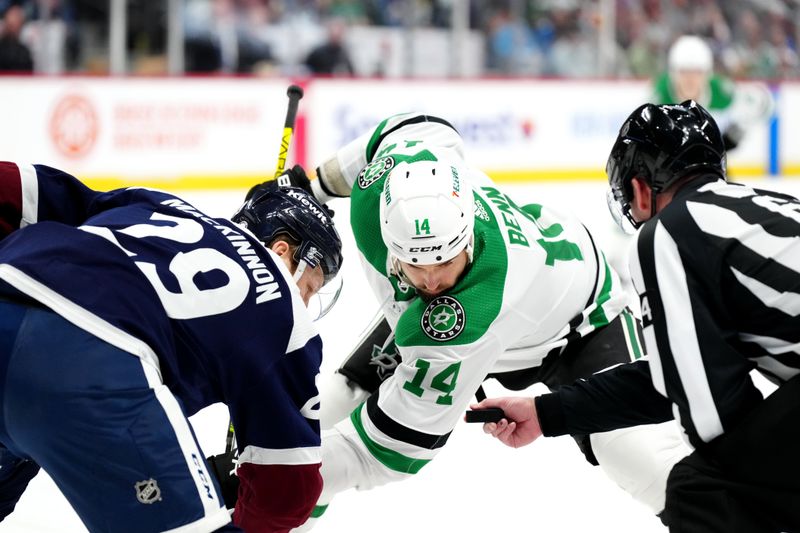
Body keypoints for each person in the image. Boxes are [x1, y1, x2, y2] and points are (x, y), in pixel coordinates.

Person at [236, 112, 691, 529]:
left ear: (467, 232)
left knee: (636, 458)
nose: (433, 283)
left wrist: (272, 476)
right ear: (391, 244)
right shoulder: (379, 192)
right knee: (330, 406)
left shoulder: (466, 315)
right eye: (417, 265)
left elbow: (384, 449)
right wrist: (313, 188)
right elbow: (416, 125)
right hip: (511, 293)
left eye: (445, 261)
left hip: (582, 319)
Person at [474, 100, 800, 532]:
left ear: (641, 189)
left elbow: (711, 421)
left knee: (700, 491)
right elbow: (678, 375)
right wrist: (546, 412)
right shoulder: (765, 206)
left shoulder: (668, 234)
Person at [0, 162, 343, 532]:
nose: (306, 301)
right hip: (93, 363)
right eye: (310, 287)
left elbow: (17, 190)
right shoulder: (286, 312)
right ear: (282, 251)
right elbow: (289, 491)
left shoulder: (161, 204)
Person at [651, 34, 772, 151]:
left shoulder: (722, 91)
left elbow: (761, 106)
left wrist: (738, 130)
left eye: (697, 72)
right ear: (673, 74)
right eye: (684, 72)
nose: (690, 79)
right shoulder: (659, 95)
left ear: (707, 74)